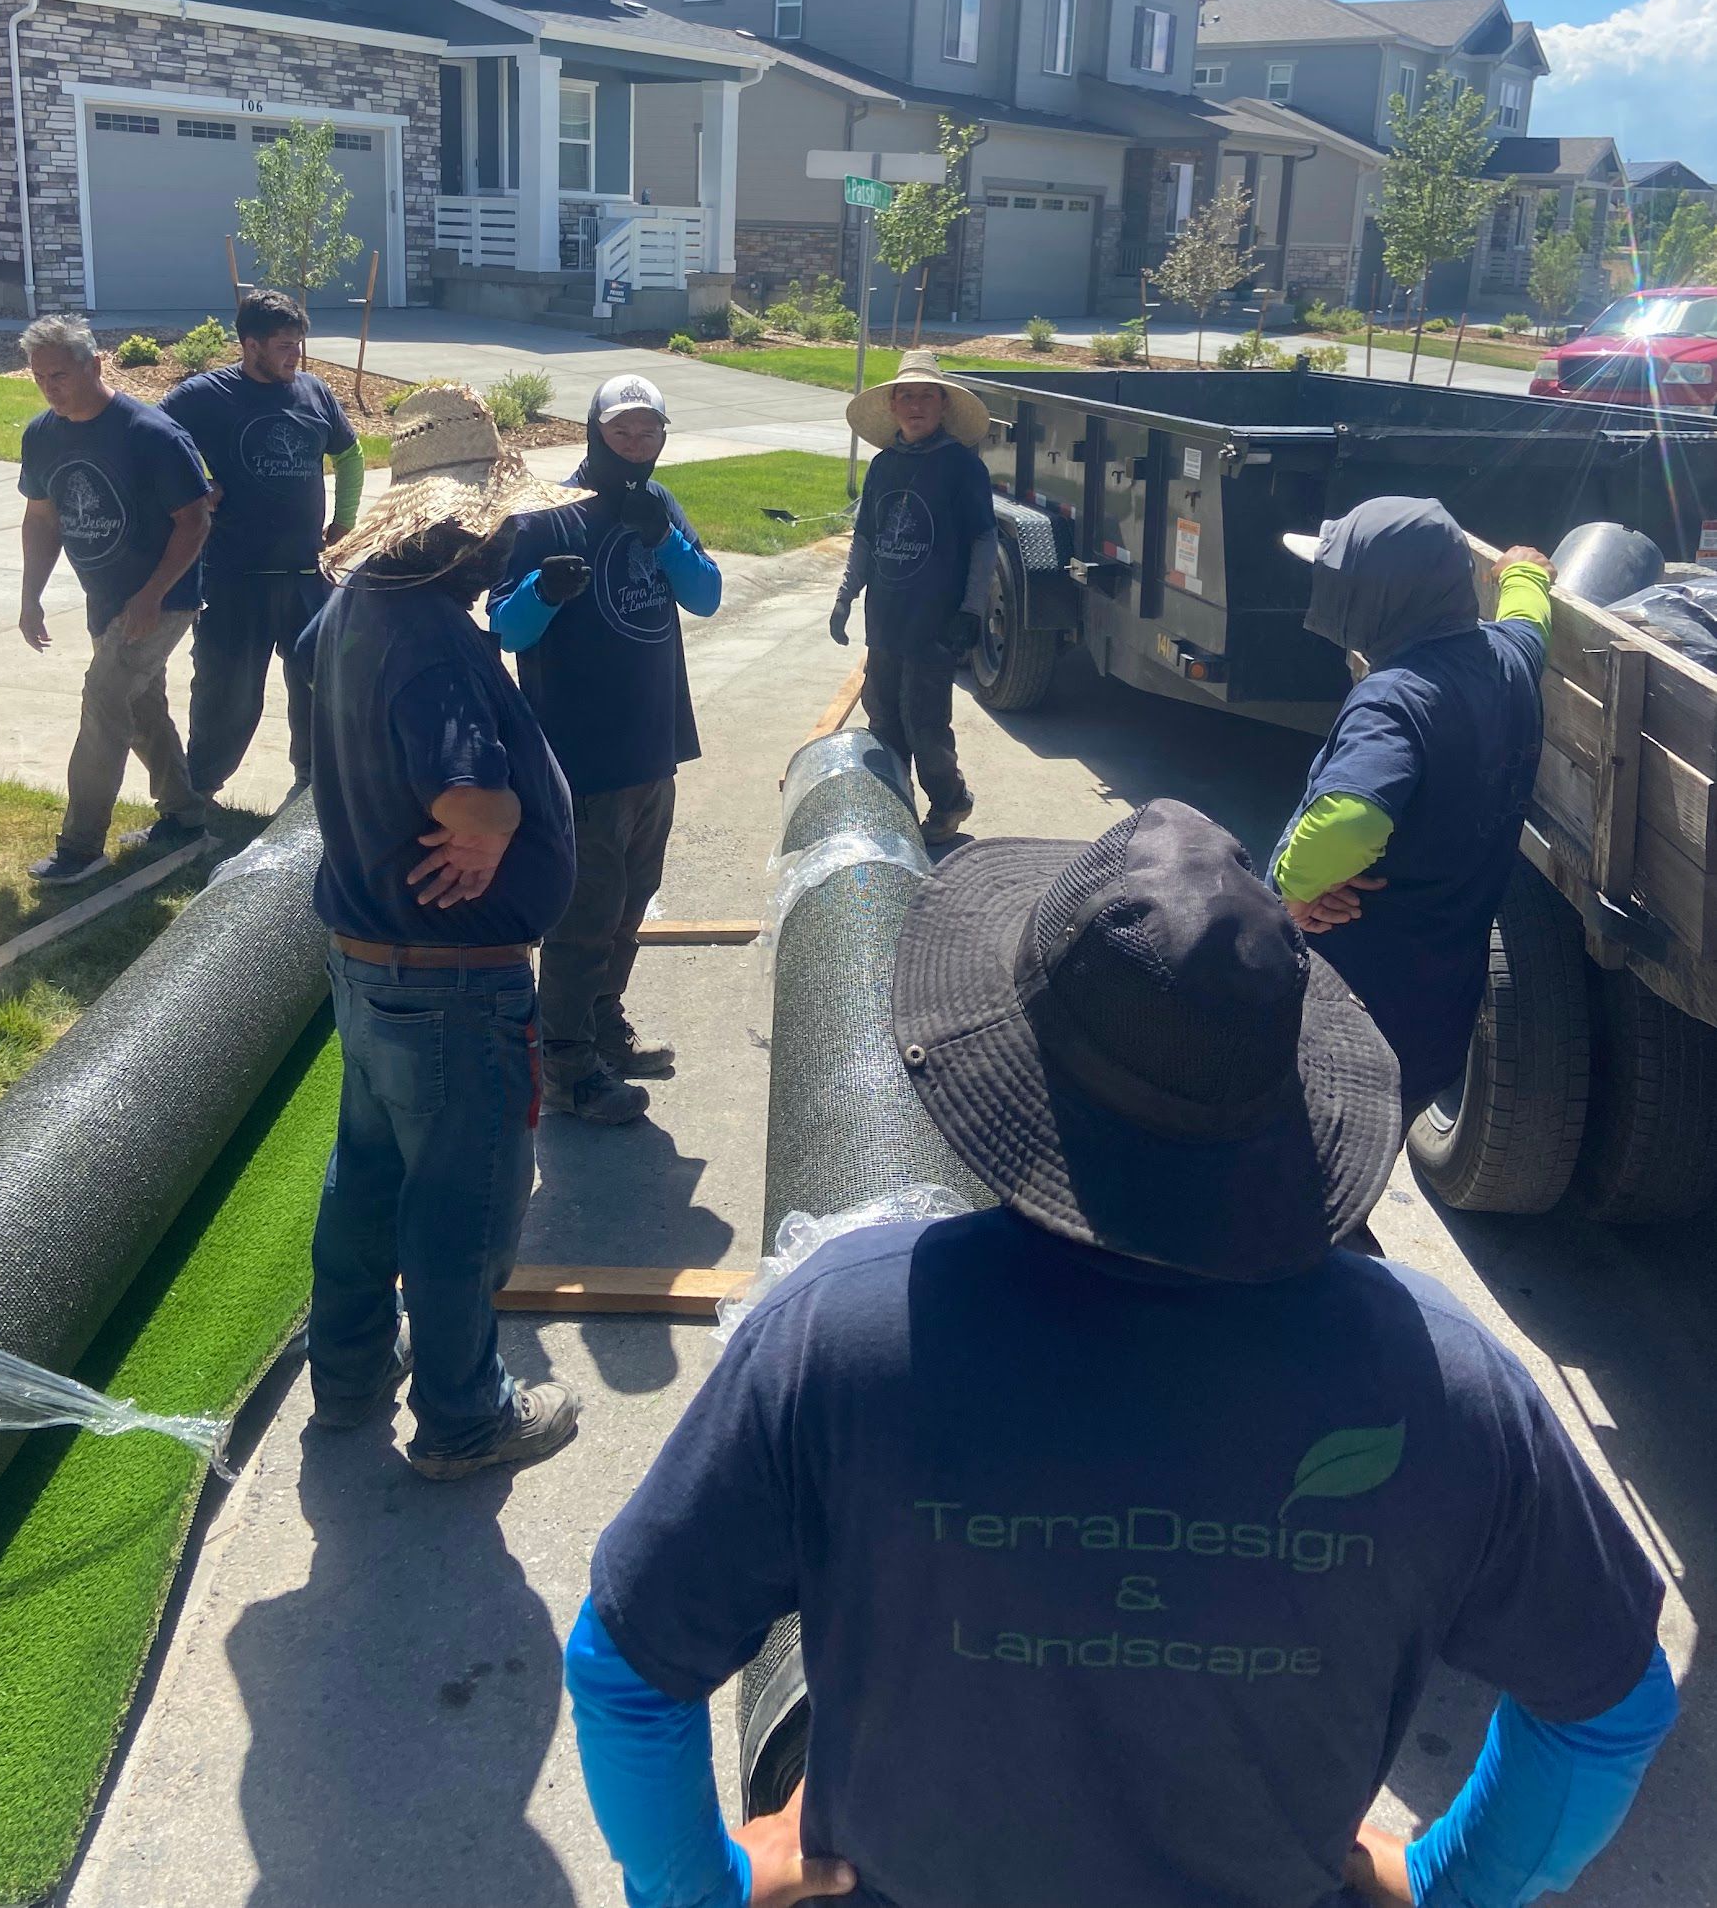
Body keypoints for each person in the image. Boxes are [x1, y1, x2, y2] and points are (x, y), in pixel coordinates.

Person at [564, 799, 1675, 1908]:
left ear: (1010, 1060)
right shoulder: (1447, 1384)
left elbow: (623, 1668)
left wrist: (702, 1888)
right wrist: (1444, 1881)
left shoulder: (834, 1341)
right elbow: (1608, 1711)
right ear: (1285, 1092)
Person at [300, 447, 593, 1480]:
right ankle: (466, 1415)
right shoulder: (430, 642)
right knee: (462, 1202)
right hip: (450, 981)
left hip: (370, 959)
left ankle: (345, 1375)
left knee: (368, 1175)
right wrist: (506, 813)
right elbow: (468, 802)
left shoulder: (355, 610)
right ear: (462, 534)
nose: (509, 540)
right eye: (498, 524)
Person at [489, 375, 721, 1125]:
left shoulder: (660, 507)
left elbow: (706, 594)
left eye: (648, 431)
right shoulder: (546, 516)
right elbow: (505, 629)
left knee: (627, 907)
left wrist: (663, 536)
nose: (636, 444)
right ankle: (565, 1067)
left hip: (653, 745)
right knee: (583, 918)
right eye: (622, 432)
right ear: (594, 432)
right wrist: (543, 594)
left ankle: (601, 1025)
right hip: (580, 755)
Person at [1273, 498, 1554, 1116]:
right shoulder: (1508, 661)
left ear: (1381, 599)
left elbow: (1349, 819)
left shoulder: (1393, 702)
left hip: (1349, 1020)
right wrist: (1525, 573)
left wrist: (1293, 896)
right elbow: (1531, 623)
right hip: (1437, 1016)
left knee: (1308, 1186)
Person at [17, 314, 213, 883]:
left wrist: (152, 595)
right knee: (142, 706)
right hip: (104, 599)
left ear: (95, 364)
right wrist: (30, 597)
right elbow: (41, 517)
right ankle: (184, 816)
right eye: (39, 377)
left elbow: (194, 521)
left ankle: (80, 845)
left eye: (59, 374)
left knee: (103, 703)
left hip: (164, 599)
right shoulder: (42, 435)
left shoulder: (151, 434)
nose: (49, 386)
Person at [163, 288, 364, 801]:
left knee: (319, 692)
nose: (294, 356)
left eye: (298, 344)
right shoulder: (204, 396)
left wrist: (343, 522)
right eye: (282, 346)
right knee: (223, 694)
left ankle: (313, 792)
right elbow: (150, 444)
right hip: (234, 579)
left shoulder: (315, 393)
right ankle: (197, 794)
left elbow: (351, 455)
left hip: (305, 577)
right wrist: (200, 486)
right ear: (250, 344)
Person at [830, 349, 996, 842]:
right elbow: (864, 537)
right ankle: (894, 806)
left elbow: (983, 542)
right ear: (893, 407)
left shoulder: (962, 468)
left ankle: (950, 802)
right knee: (883, 719)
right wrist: (845, 597)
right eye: (907, 396)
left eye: (927, 395)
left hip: (936, 623)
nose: (916, 404)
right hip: (885, 620)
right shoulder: (883, 466)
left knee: (926, 725)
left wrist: (970, 610)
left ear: (943, 405)